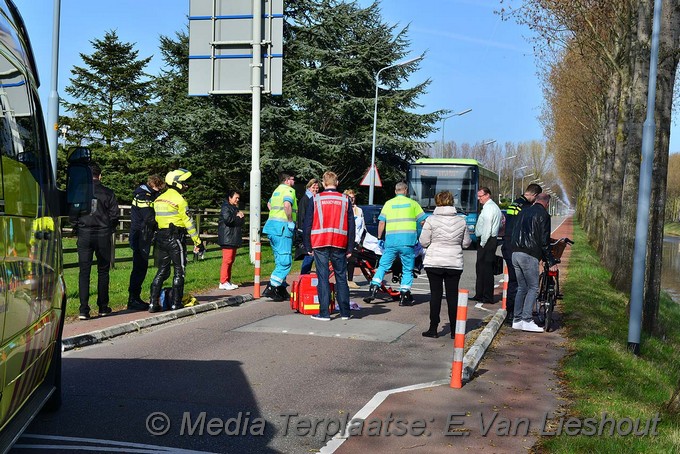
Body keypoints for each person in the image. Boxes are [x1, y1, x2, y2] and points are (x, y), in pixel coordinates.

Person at [148, 169, 204, 313]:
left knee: (161, 271)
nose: (186, 185)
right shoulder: (180, 200)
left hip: (160, 237)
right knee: (180, 271)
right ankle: (176, 303)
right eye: (184, 183)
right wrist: (198, 241)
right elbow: (189, 223)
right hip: (175, 238)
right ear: (177, 183)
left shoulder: (159, 198)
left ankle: (153, 304)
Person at [302, 171, 355, 321]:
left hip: (320, 242)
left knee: (323, 277)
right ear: (337, 183)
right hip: (340, 242)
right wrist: (350, 247)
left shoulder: (316, 199)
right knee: (341, 277)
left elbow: (308, 224)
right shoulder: (345, 200)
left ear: (324, 184)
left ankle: (324, 312)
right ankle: (345, 312)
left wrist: (308, 246)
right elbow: (351, 225)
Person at [419, 191, 471, 338]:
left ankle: (433, 329)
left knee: (435, 295)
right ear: (452, 202)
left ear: (437, 202)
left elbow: (423, 242)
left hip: (434, 262)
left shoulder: (430, 220)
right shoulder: (461, 221)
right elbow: (466, 243)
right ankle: (455, 330)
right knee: (452, 296)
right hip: (454, 263)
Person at [365, 181, 426, 306]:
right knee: (407, 269)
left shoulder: (388, 204)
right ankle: (404, 296)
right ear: (406, 191)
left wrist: (379, 237)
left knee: (383, 266)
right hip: (407, 242)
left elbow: (381, 223)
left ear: (395, 191)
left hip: (391, 242)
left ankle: (374, 289)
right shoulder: (413, 204)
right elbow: (423, 223)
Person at [74, 162, 119, 320]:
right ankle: (103, 306)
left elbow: (73, 212)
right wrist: (109, 228)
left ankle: (83, 309)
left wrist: (76, 227)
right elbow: (114, 215)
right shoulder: (108, 192)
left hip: (85, 233)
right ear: (100, 175)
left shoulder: (80, 191)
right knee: (103, 271)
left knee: (84, 272)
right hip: (102, 233)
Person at [511, 192, 557, 332]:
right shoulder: (543, 215)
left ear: (536, 200)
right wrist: (550, 260)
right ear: (547, 204)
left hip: (515, 253)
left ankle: (517, 319)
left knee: (522, 287)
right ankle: (527, 320)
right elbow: (544, 240)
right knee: (533, 287)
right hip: (529, 254)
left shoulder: (524, 211)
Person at [501, 183, 542, 324]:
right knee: (518, 282)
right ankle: (512, 314)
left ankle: (513, 312)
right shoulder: (526, 207)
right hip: (515, 245)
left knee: (515, 281)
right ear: (535, 195)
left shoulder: (514, 204)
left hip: (507, 244)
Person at [127, 174, 164, 311]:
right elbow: (149, 217)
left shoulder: (145, 194)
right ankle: (133, 299)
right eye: (158, 189)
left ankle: (134, 298)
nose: (159, 192)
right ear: (155, 184)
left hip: (142, 234)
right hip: (141, 235)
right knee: (139, 268)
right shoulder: (144, 196)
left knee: (141, 267)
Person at [262, 173, 298, 301]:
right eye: (293, 179)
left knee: (279, 259)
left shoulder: (276, 191)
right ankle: (272, 287)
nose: (294, 181)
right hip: (283, 228)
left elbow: (269, 205)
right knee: (285, 262)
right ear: (287, 180)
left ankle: (281, 289)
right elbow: (287, 205)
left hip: (272, 228)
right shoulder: (289, 190)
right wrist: (289, 221)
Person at [472, 186, 502, 304]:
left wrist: (483, 242)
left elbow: (487, 227)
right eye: (478, 196)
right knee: (480, 268)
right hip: (487, 240)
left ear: (487, 195)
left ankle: (487, 296)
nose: (479, 199)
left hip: (487, 240)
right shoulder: (488, 207)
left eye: (481, 196)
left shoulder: (490, 208)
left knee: (486, 269)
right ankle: (480, 294)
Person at [218, 189, 245, 290]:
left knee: (231, 260)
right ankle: (223, 281)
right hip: (227, 237)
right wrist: (238, 217)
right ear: (230, 198)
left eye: (238, 198)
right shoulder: (226, 207)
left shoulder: (234, 208)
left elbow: (240, 222)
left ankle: (227, 281)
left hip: (232, 237)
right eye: (236, 198)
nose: (237, 200)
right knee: (227, 260)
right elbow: (228, 220)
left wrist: (240, 217)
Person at [297, 178, 319, 275]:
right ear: (309, 187)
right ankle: (303, 277)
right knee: (309, 255)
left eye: (317, 187)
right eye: (313, 187)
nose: (315, 189)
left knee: (311, 255)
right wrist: (302, 231)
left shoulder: (315, 199)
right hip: (307, 232)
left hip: (313, 231)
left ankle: (305, 278)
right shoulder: (305, 199)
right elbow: (302, 216)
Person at [344, 189, 364, 289]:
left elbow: (362, 226)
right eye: (350, 198)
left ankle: (350, 280)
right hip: (345, 238)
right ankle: (343, 280)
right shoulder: (343, 209)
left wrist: (360, 239)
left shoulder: (359, 210)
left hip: (356, 239)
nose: (352, 199)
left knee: (352, 260)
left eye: (353, 197)